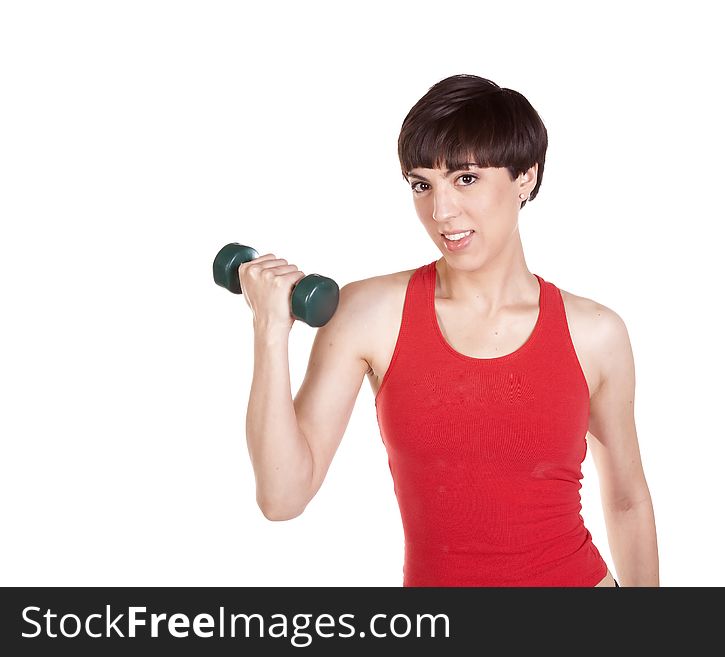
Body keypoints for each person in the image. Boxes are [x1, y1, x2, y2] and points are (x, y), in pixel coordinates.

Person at [239, 74, 659, 587]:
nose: (441, 211)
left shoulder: (596, 333)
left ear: (525, 178)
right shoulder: (370, 313)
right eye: (422, 184)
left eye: (465, 179)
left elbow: (626, 499)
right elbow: (282, 497)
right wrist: (270, 329)